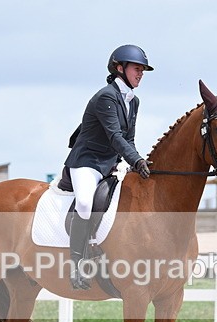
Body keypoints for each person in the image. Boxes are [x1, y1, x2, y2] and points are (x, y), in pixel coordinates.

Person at [63, 44, 153, 290]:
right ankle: (76, 265)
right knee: (83, 202)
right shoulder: (106, 96)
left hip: (111, 163)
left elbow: (129, 139)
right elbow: (115, 136)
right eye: (137, 69)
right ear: (119, 68)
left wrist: (136, 161)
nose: (140, 74)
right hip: (87, 161)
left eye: (143, 70)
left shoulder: (133, 101)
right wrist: (135, 160)